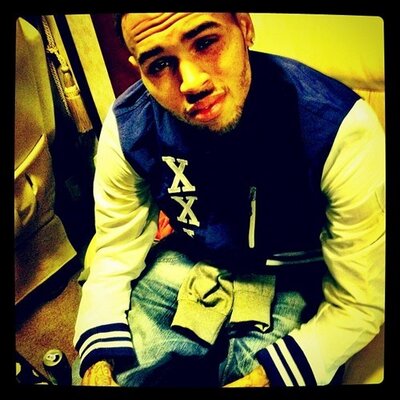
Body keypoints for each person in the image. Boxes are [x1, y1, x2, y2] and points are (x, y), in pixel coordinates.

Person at [73, 12, 385, 387]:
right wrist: (98, 365)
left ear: (245, 26)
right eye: (159, 65)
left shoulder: (340, 128)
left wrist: (263, 379)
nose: (192, 82)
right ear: (139, 68)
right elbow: (115, 250)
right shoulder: (129, 127)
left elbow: (359, 300)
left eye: (206, 42)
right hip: (189, 259)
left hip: (295, 275)